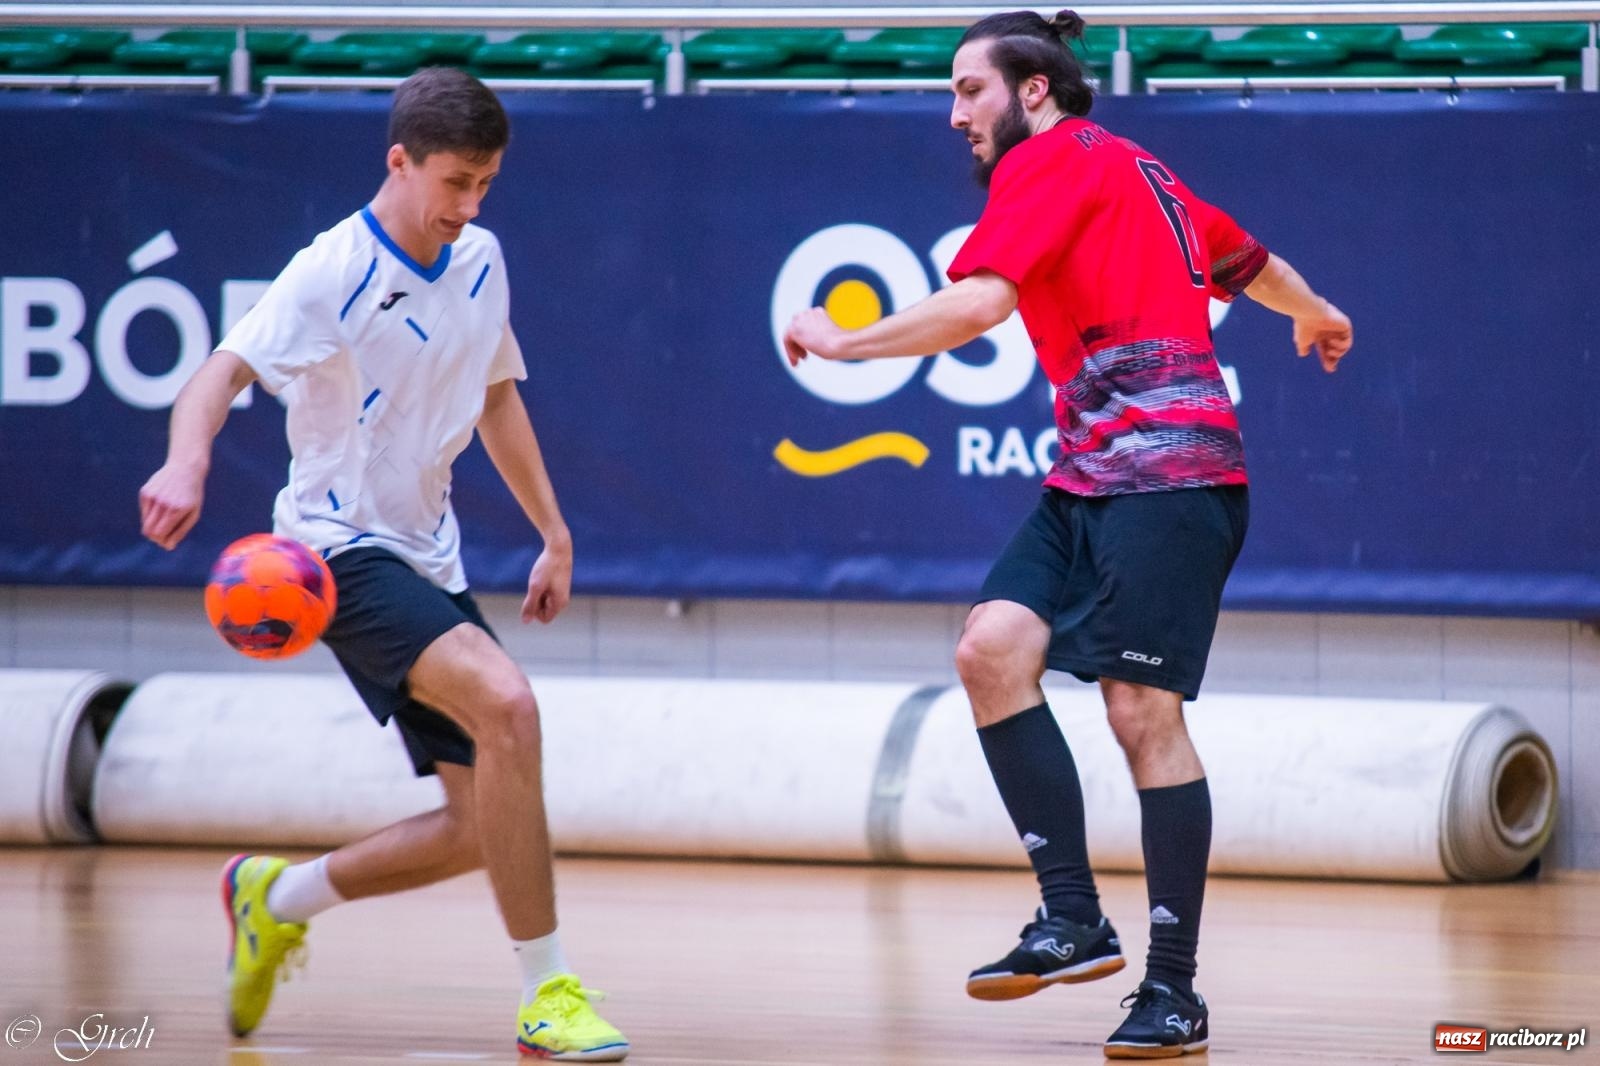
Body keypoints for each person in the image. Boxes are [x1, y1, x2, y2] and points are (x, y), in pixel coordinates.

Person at [784, 10, 1351, 1059]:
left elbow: (978, 306)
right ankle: (1071, 917)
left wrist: (842, 339)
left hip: (1173, 481)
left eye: (968, 90)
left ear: (1031, 90)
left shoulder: (1047, 164)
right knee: (990, 648)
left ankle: (1172, 989)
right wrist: (1312, 309)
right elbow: (1247, 262)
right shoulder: (1141, 170)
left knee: (1141, 713)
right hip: (1091, 477)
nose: (953, 113)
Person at [138, 68, 627, 1062]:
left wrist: (555, 530)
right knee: (511, 708)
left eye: (485, 184)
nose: (469, 206)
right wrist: (186, 461)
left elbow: (496, 396)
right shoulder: (331, 271)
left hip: (427, 558)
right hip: (332, 555)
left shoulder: (481, 257)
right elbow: (218, 373)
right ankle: (549, 997)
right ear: (397, 161)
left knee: (478, 823)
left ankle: (276, 895)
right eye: (454, 183)